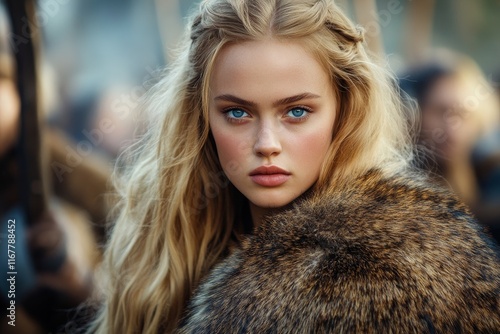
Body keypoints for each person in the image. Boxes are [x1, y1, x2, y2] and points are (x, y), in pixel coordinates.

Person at [86, 0, 500, 333]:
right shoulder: (164, 256)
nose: (267, 145)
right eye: (237, 113)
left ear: (345, 109)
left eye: (297, 112)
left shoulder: (402, 270)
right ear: (201, 117)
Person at [399, 52, 500, 242]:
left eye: (464, 114)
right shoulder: (396, 188)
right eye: (441, 112)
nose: (453, 130)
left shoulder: (489, 177)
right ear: (412, 112)